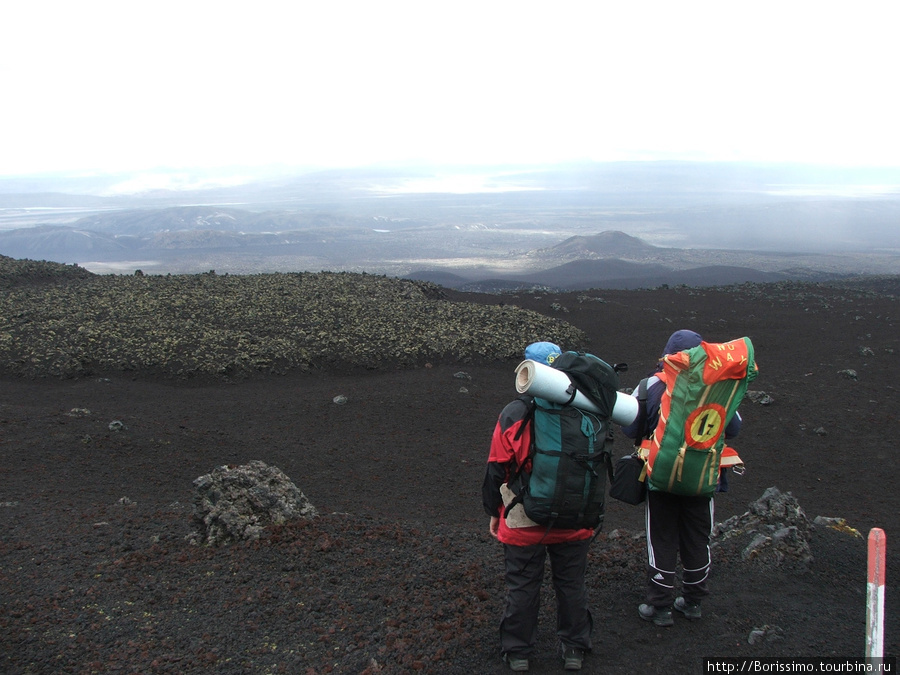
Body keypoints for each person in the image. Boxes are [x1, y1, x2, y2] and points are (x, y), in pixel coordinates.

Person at [482, 341, 593, 672]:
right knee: (572, 584)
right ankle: (574, 649)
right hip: (575, 518)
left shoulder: (514, 413)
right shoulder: (586, 408)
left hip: (523, 519)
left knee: (523, 584)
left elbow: (496, 468)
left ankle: (518, 652)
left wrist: (493, 511)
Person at [620, 329, 743, 627]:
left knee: (661, 537)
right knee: (697, 537)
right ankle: (693, 602)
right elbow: (734, 428)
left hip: (660, 476)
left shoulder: (649, 385)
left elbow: (630, 428)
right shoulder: (718, 388)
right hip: (702, 478)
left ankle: (660, 606)